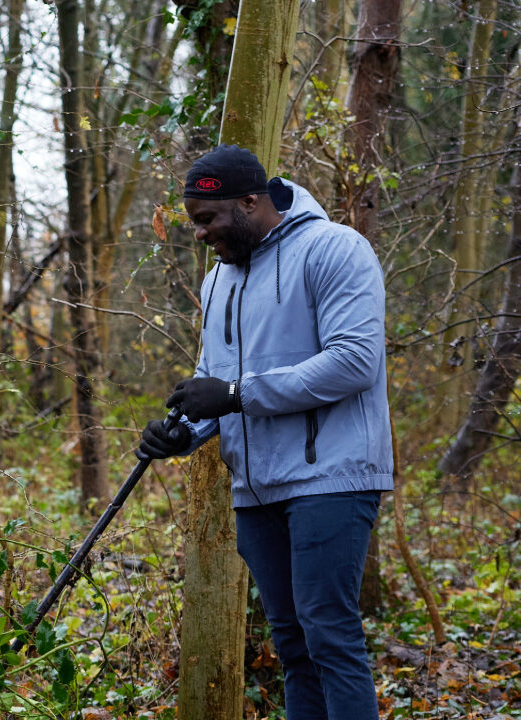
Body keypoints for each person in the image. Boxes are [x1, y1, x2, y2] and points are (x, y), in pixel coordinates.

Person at [136, 144, 392, 720]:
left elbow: (354, 361)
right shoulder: (219, 283)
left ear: (250, 202)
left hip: (333, 475)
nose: (200, 235)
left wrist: (233, 395)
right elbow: (216, 380)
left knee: (330, 638)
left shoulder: (335, 249)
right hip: (256, 487)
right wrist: (185, 431)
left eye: (208, 219)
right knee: (294, 648)